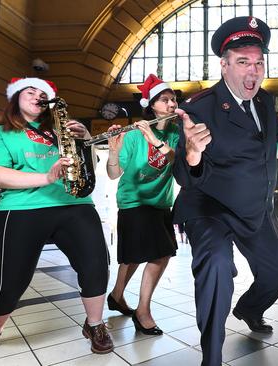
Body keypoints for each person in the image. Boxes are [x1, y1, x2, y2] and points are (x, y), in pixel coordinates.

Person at [172, 16, 278, 366]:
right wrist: (192, 154)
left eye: (258, 62)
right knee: (218, 265)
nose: (252, 72)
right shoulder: (199, 108)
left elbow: (273, 138)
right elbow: (183, 175)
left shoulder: (264, 102)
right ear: (224, 65)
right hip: (210, 207)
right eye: (242, 63)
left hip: (254, 208)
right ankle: (212, 356)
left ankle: (249, 309)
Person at [0, 77, 113, 362]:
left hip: (75, 204)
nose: (37, 96)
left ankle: (94, 325)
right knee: (11, 280)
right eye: (30, 91)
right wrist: (46, 177)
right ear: (15, 97)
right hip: (20, 208)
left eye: (43, 93)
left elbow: (86, 171)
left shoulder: (60, 131)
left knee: (96, 266)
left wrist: (84, 142)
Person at [104, 74, 179, 335]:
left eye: (173, 99)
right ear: (152, 106)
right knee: (138, 256)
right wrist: (113, 151)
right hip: (133, 202)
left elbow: (175, 161)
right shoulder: (134, 135)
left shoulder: (175, 133)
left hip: (160, 203)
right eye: (165, 100)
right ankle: (137, 308)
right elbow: (114, 174)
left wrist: (156, 141)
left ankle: (123, 299)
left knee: (160, 254)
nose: (171, 104)